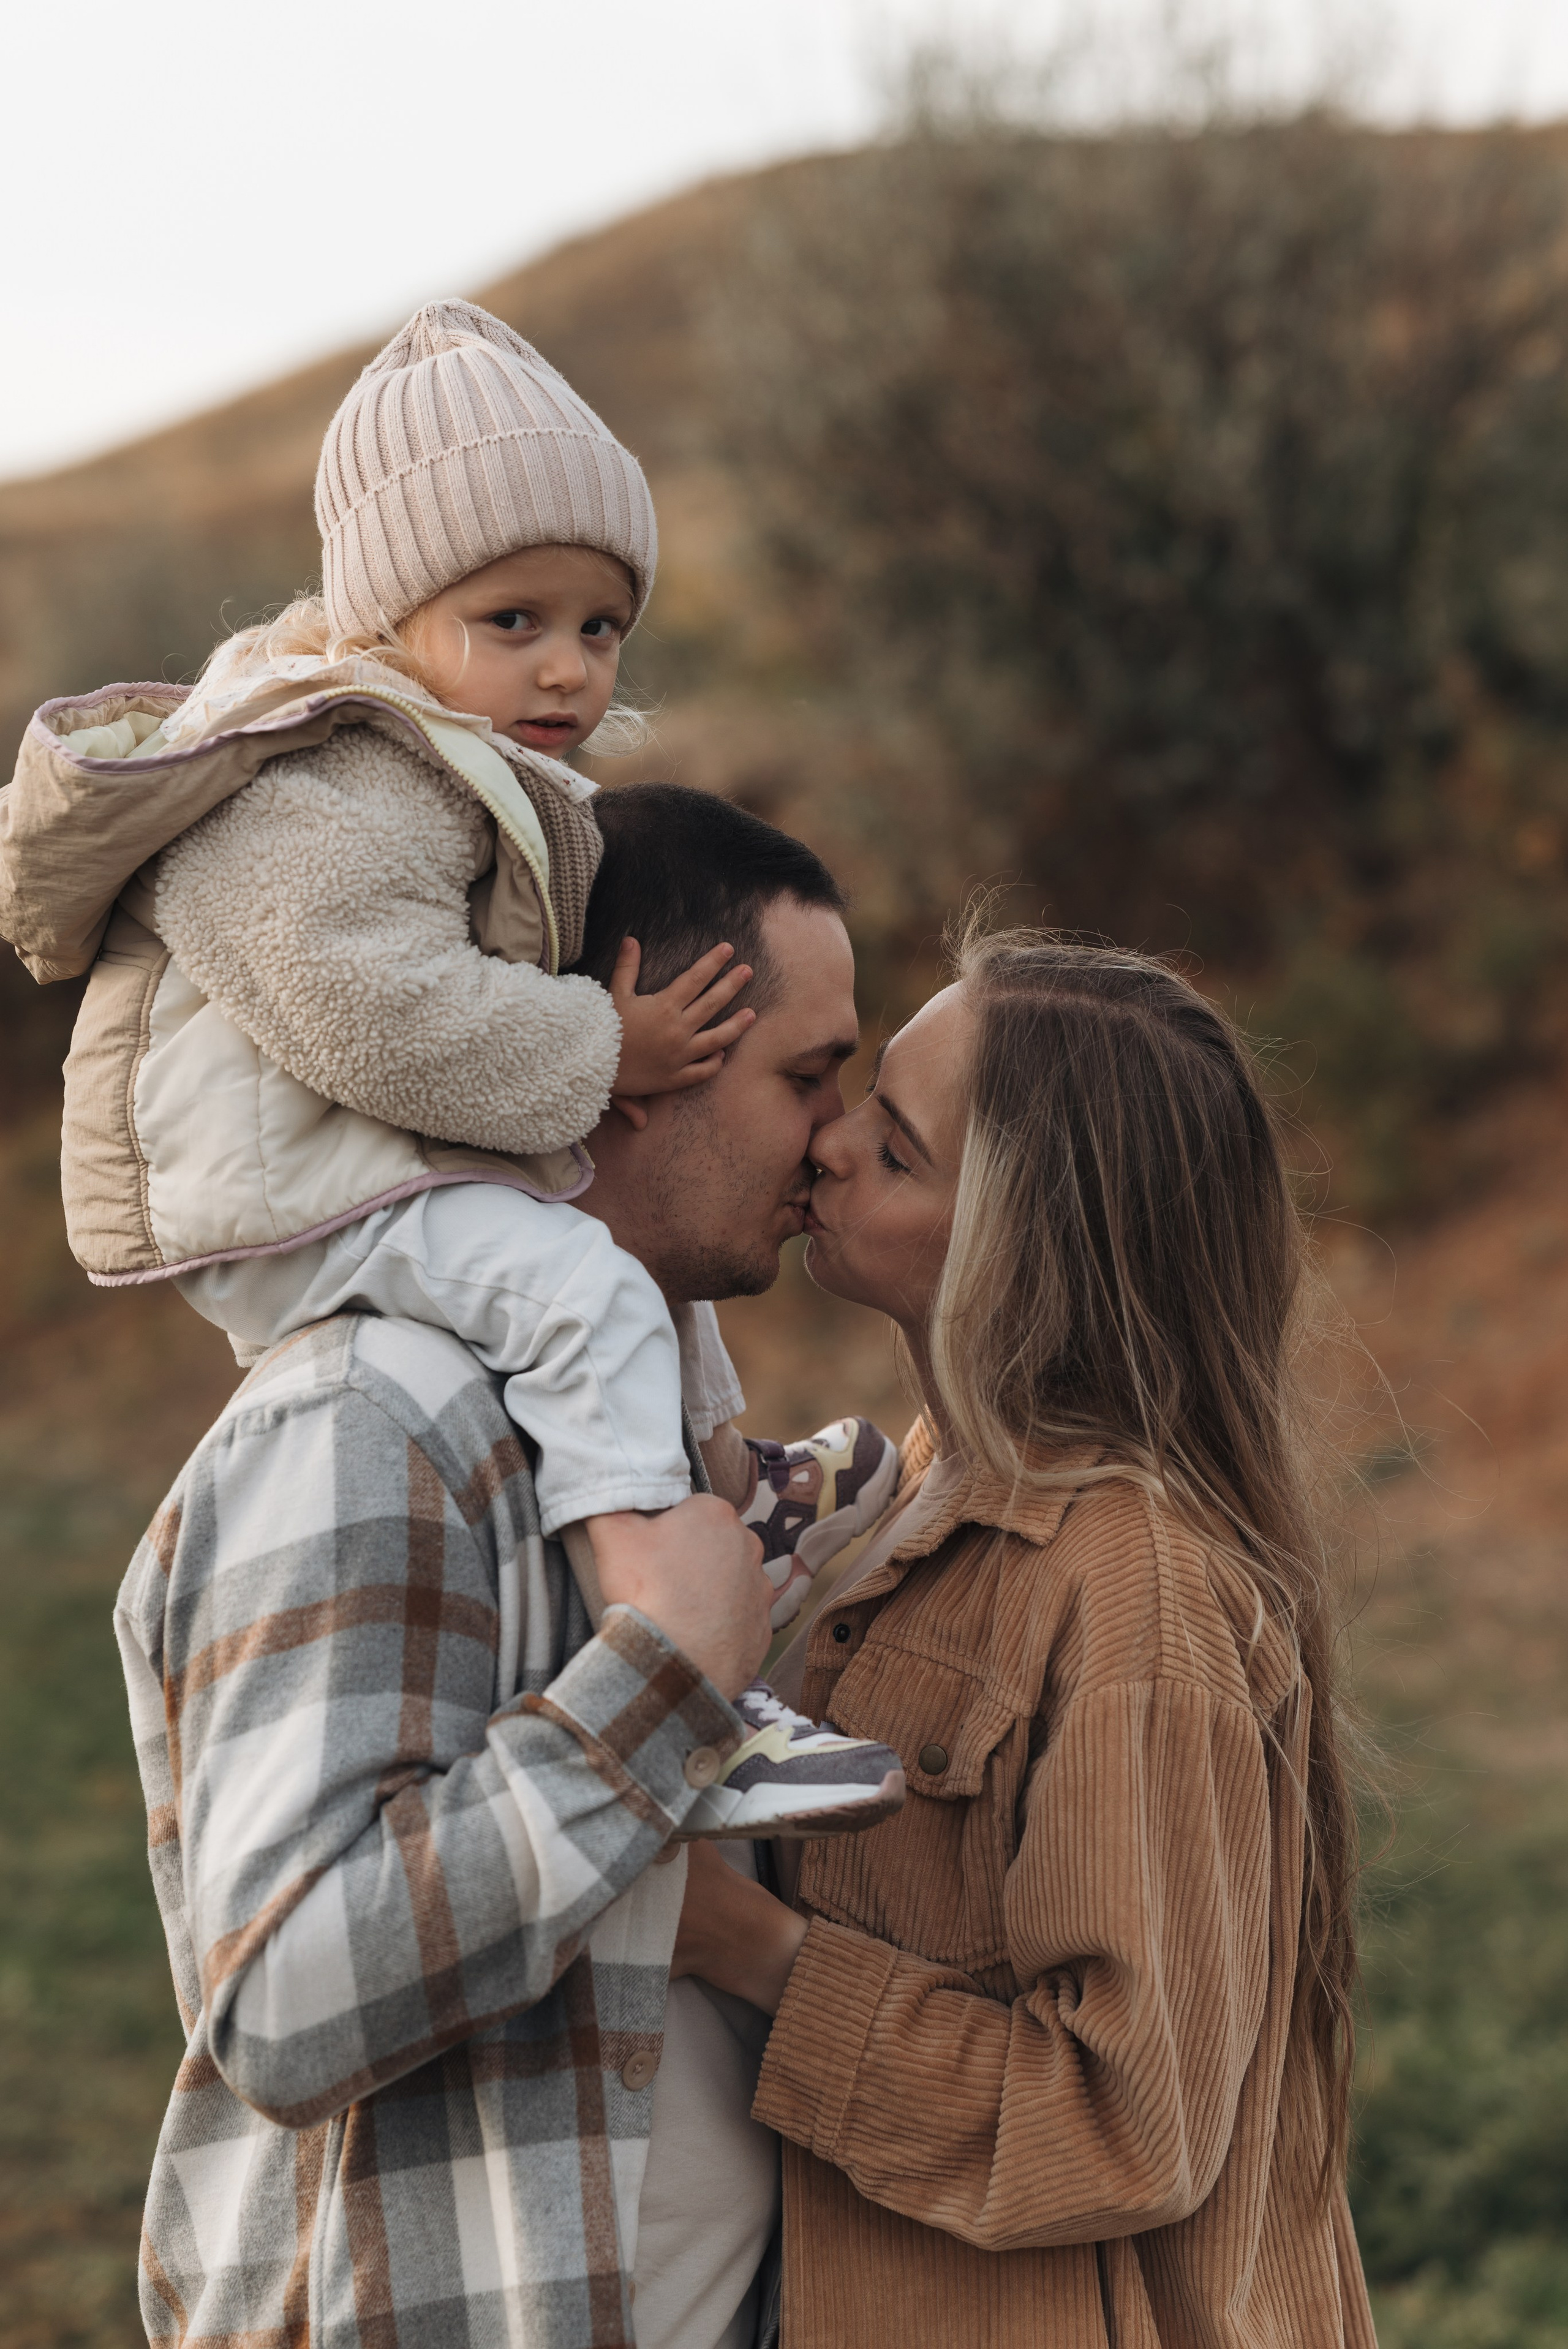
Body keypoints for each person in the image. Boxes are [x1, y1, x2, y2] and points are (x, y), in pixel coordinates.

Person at [2, 300, 899, 1834]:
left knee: (625, 1276)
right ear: (390, 616)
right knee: (589, 1290)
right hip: (302, 1192)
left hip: (371, 1155)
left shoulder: (439, 760)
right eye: (514, 623)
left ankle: (719, 1479)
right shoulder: (319, 776)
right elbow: (370, 1010)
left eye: (598, 628)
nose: (565, 670)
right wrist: (600, 1043)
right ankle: (679, 1665)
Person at [113, 798, 889, 2349]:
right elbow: (279, 1999)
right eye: (804, 1076)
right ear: (615, 1063)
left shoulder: (641, 1401)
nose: (835, 1139)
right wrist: (656, 1685)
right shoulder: (373, 1421)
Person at [672, 927, 1379, 2346]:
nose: (826, 1141)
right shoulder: (928, 1496)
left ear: (1024, 1245)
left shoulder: (1136, 1597)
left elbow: (1125, 2122)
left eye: (897, 1146)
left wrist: (744, 1944)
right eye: (862, 1095)